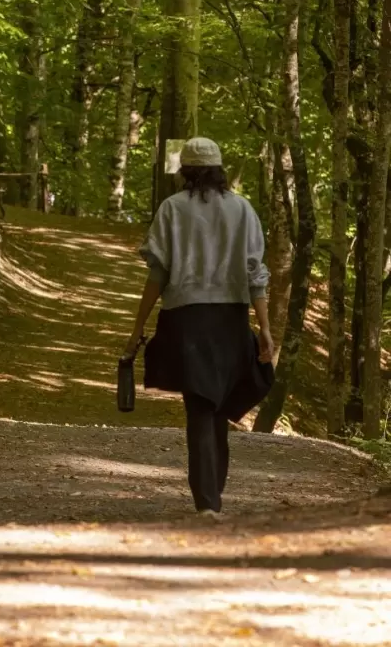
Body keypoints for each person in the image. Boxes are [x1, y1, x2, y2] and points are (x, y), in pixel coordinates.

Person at [124, 136, 275, 517]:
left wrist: (137, 325)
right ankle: (211, 498)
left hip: (187, 319)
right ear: (220, 169)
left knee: (202, 408)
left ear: (185, 171)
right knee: (217, 406)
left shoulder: (172, 209)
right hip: (230, 319)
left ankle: (208, 501)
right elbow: (256, 276)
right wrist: (266, 328)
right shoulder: (243, 210)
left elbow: (158, 274)